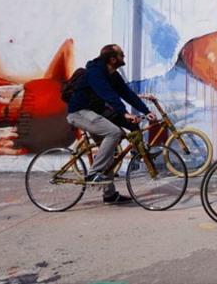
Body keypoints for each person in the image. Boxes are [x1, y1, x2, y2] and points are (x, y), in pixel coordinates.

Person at [66, 44, 156, 205]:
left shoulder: (113, 74)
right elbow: (107, 94)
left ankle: (109, 195)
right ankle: (94, 173)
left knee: (110, 147)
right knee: (114, 133)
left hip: (96, 113)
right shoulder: (96, 73)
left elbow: (127, 94)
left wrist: (145, 111)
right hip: (80, 112)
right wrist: (123, 113)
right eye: (122, 55)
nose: (124, 56)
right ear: (113, 59)